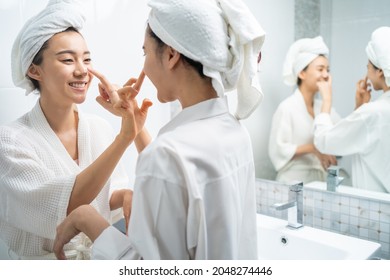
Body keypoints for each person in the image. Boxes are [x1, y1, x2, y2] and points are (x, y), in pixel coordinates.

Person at [53, 0, 265, 260]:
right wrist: (134, 127)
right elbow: (180, 183)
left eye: (146, 53)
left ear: (171, 54)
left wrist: (86, 219)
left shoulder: (168, 154)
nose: (144, 68)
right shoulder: (235, 131)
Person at [0, 0, 152, 259]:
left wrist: (124, 194)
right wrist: (125, 137)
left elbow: (103, 197)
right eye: (68, 60)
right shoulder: (10, 141)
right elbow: (64, 206)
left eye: (87, 59)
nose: (82, 71)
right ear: (33, 70)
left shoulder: (98, 128)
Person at [313, 26, 390, 193]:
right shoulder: (373, 111)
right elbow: (360, 137)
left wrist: (326, 101)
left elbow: (324, 141)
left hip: (376, 210)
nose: (367, 74)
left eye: (368, 67)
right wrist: (360, 107)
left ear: (381, 72)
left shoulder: (373, 113)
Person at [268, 36, 341, 184]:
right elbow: (278, 149)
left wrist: (360, 105)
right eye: (320, 69)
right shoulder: (287, 107)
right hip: (292, 182)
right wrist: (313, 148)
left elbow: (342, 134)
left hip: (320, 182)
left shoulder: (324, 107)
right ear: (302, 73)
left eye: (328, 70)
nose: (326, 75)